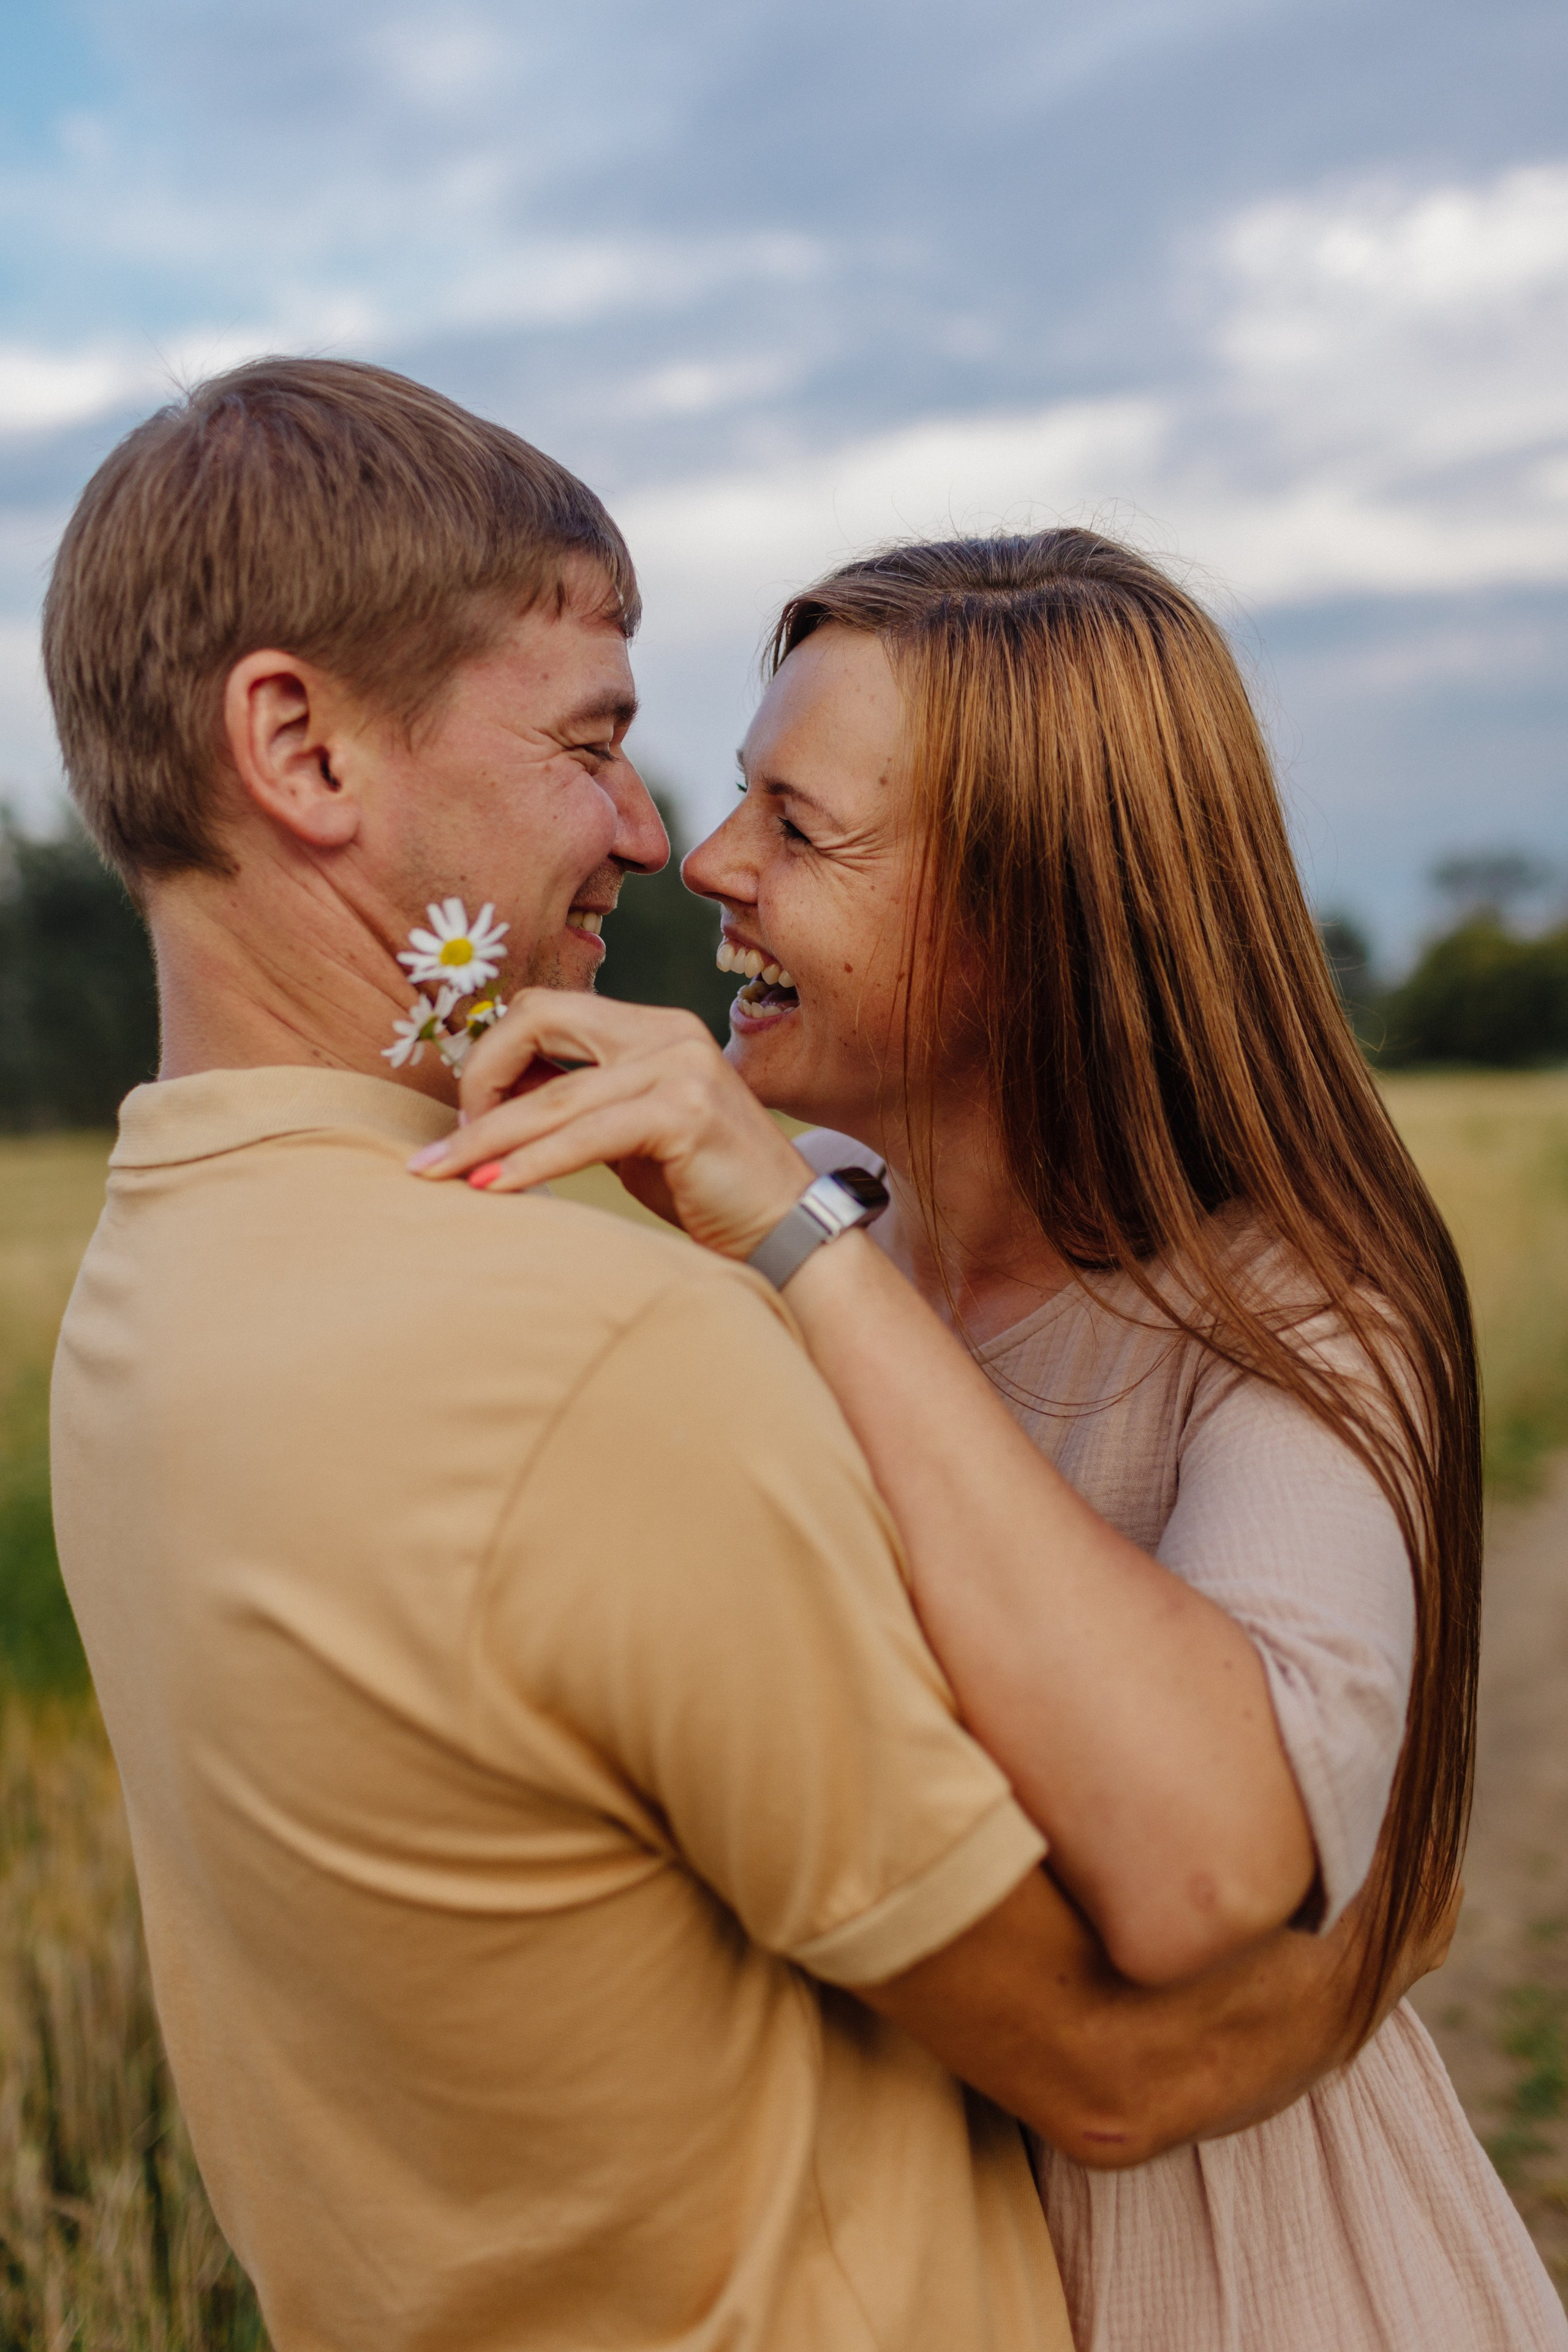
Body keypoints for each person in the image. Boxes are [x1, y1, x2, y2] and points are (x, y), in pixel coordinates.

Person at [42, 369, 1409, 2352]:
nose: (659, 833)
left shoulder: (145, 1285)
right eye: (596, 740)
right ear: (301, 749)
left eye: (782, 810)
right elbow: (1123, 2064)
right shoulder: (613, 1356)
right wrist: (1387, 1922)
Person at [422, 529, 1568, 2351]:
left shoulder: (1301, 1301)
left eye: (800, 831)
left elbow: (1212, 1873)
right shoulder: (811, 1206)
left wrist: (794, 1249)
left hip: (1236, 2287)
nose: (708, 864)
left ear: (1033, 921)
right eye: (741, 798)